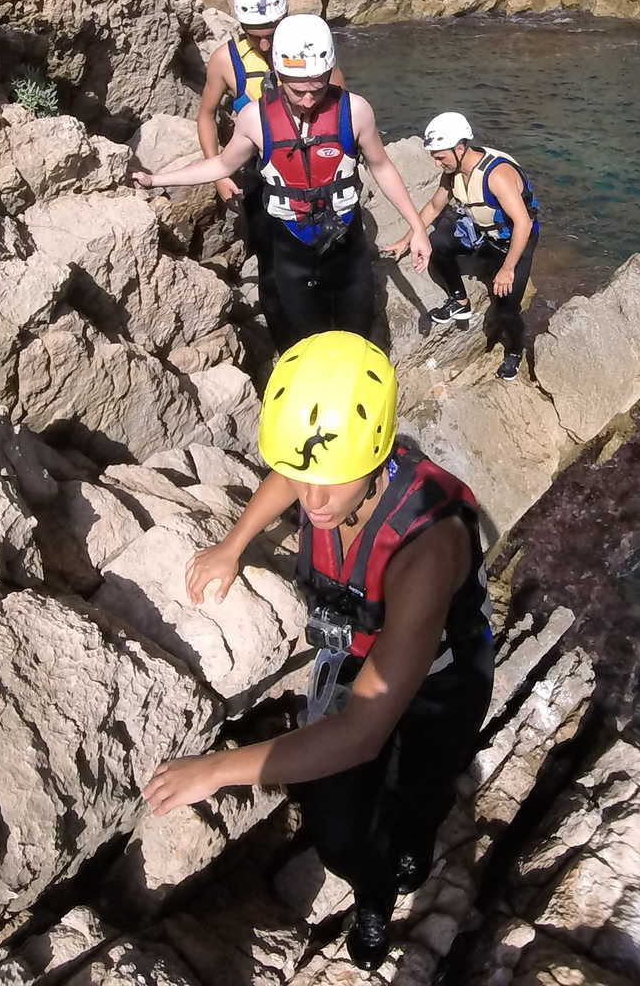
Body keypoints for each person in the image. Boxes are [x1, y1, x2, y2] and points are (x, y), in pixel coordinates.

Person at [142, 332, 493, 970]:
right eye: (306, 480)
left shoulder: (426, 547)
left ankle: (403, 859)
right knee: (337, 835)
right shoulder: (326, 478)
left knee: (421, 786)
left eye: (330, 483)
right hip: (359, 656)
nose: (314, 501)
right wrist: (233, 542)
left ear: (380, 450)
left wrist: (216, 770)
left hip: (441, 681)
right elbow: (296, 473)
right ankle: (373, 884)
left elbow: (360, 733)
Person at [136, 15, 431, 348]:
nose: (308, 100)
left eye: (317, 89)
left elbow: (382, 166)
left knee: (356, 330)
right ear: (278, 74)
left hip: (346, 242)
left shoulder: (356, 111)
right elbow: (221, 164)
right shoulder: (254, 119)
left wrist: (417, 227)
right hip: (291, 247)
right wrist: (157, 178)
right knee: (306, 337)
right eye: (297, 91)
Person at [195, 0, 345, 345]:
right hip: (263, 180)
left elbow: (343, 111)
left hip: (318, 178)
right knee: (273, 266)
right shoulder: (227, 61)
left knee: (329, 257)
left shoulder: (313, 52)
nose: (264, 42)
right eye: (253, 32)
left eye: (272, 31)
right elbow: (206, 115)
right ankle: (287, 344)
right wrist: (217, 173)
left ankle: (333, 332)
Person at [386, 111, 541, 380]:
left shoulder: (497, 176)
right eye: (434, 157)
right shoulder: (454, 172)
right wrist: (406, 241)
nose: (437, 164)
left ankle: (514, 351)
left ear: (460, 148)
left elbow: (523, 224)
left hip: (514, 241)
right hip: (484, 235)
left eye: (440, 156)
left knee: (506, 307)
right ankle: (460, 301)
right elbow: (435, 206)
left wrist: (508, 269)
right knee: (437, 243)